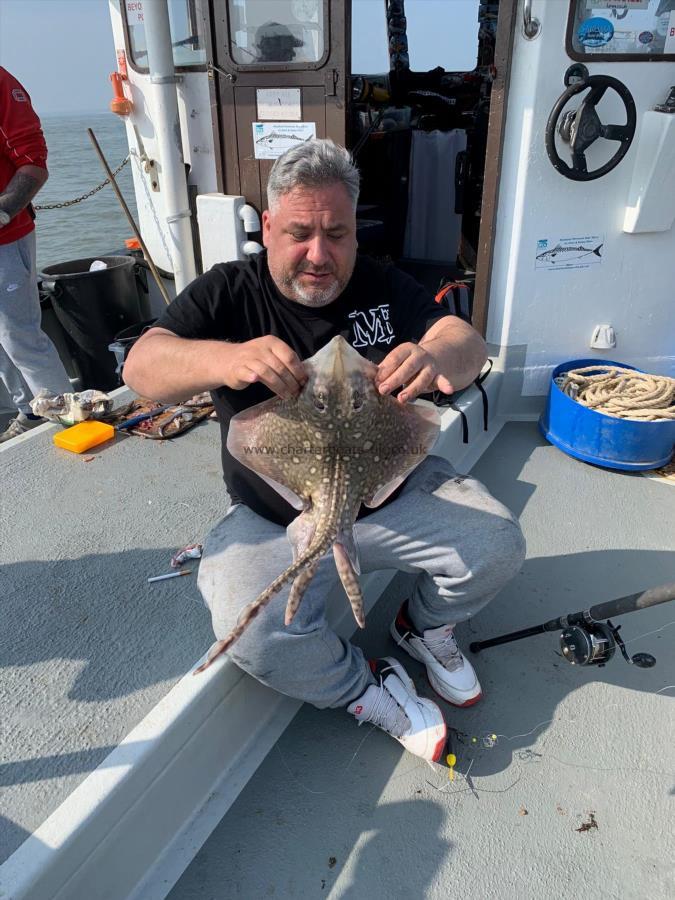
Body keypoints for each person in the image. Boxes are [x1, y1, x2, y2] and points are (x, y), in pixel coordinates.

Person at [124, 139, 525, 763]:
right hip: (277, 514)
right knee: (252, 631)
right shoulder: (230, 291)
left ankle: (421, 627)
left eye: (336, 234)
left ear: (355, 233)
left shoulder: (385, 284)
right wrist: (227, 359)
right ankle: (365, 687)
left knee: (498, 543)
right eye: (300, 233)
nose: (318, 253)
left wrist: (432, 355)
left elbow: (464, 342)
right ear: (267, 228)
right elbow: (142, 365)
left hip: (392, 492)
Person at [0, 67, 72, 443]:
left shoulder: (0, 83)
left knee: (19, 336)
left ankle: (67, 415)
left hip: (5, 239)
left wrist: (4, 210)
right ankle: (30, 411)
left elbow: (33, 162)